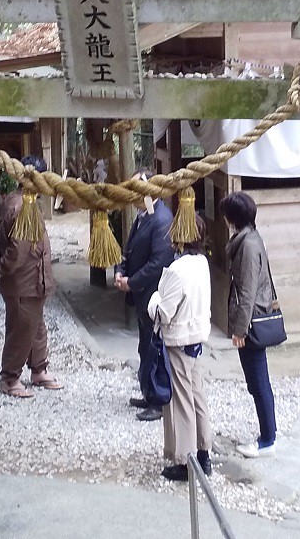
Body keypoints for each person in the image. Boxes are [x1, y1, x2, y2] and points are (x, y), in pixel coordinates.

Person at [147, 217, 212, 481]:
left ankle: (186, 461)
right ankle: (204, 452)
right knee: (197, 395)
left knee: (182, 401)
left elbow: (163, 312)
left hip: (179, 340)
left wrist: (154, 299)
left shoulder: (177, 270)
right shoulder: (202, 262)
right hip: (197, 336)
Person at [0, 155, 64, 398]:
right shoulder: (21, 206)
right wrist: (2, 267)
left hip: (34, 281)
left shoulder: (25, 202)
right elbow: (18, 250)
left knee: (36, 328)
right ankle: (10, 377)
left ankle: (38, 369)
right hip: (23, 283)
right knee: (21, 329)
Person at [114, 175, 175, 421]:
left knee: (155, 347)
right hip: (140, 295)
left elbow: (159, 262)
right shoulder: (143, 216)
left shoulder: (162, 219)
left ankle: (159, 399)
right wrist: (119, 271)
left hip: (153, 295)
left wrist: (132, 282)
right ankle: (148, 392)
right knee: (144, 345)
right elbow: (128, 250)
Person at [221, 190, 277, 457]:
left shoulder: (248, 246)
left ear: (232, 218)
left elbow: (247, 291)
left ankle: (268, 440)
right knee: (257, 381)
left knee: (258, 381)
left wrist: (240, 330)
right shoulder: (249, 238)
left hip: (252, 320)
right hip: (251, 317)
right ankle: (268, 434)